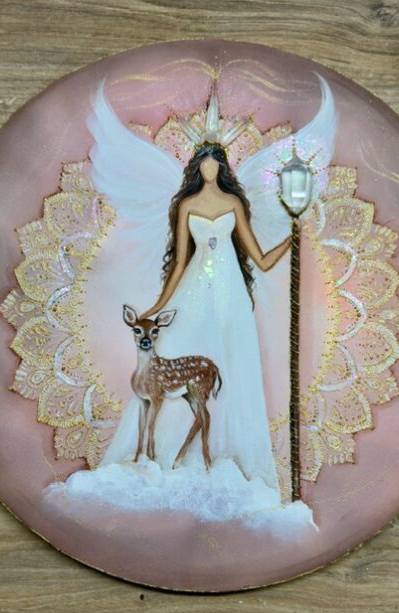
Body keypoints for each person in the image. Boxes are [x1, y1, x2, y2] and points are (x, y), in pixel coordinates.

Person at [99, 143, 296, 494]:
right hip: (194, 292)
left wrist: (293, 238)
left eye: (214, 164)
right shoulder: (187, 206)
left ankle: (227, 455)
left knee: (234, 363)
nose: (209, 169)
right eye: (203, 164)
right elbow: (179, 264)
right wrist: (157, 307)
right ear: (196, 168)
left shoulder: (233, 203)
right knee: (176, 353)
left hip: (231, 295)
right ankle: (162, 455)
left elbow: (262, 260)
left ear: (222, 168)